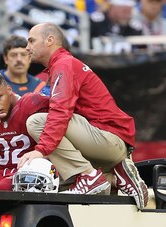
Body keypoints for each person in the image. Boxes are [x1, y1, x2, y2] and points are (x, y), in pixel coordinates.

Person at [17, 22, 149, 210]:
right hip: (110, 143)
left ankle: (89, 176)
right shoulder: (64, 64)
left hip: (108, 139)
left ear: (50, 40)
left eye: (31, 41)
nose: (27, 47)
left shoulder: (63, 65)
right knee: (59, 184)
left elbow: (60, 112)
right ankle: (115, 175)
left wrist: (41, 150)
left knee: (37, 122)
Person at [0, 35, 47, 171]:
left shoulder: (41, 87)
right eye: (14, 55)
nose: (19, 59)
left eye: (23, 54)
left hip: (30, 165)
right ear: (5, 58)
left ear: (29, 57)